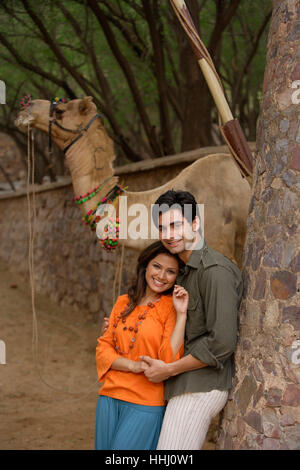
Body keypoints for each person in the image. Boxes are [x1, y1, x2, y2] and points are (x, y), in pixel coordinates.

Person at [138, 189, 243, 450]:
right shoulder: (180, 270)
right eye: (162, 228)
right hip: (178, 382)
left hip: (200, 387)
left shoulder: (214, 272)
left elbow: (222, 343)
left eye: (175, 224)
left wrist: (169, 369)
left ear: (195, 223)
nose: (169, 234)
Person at [94, 240, 189, 450]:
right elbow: (103, 349)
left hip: (145, 402)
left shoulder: (170, 308)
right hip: (109, 396)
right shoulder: (123, 302)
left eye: (170, 271)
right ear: (145, 266)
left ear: (176, 277)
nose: (162, 276)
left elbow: (167, 360)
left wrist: (181, 314)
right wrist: (134, 366)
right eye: (157, 266)